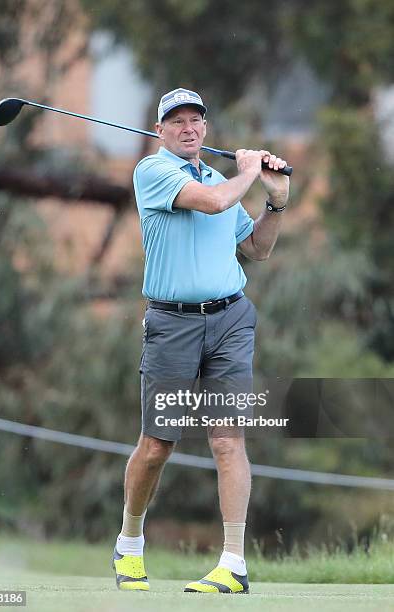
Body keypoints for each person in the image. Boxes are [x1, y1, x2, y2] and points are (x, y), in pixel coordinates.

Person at [112, 87, 290, 594]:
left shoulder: (218, 177)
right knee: (157, 445)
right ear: (160, 130)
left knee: (227, 439)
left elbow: (255, 248)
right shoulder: (152, 172)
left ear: (205, 129)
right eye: (178, 122)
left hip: (231, 319)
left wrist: (276, 203)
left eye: (197, 120)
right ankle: (129, 545)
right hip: (173, 325)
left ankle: (232, 564)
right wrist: (252, 170)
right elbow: (213, 204)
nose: (189, 129)